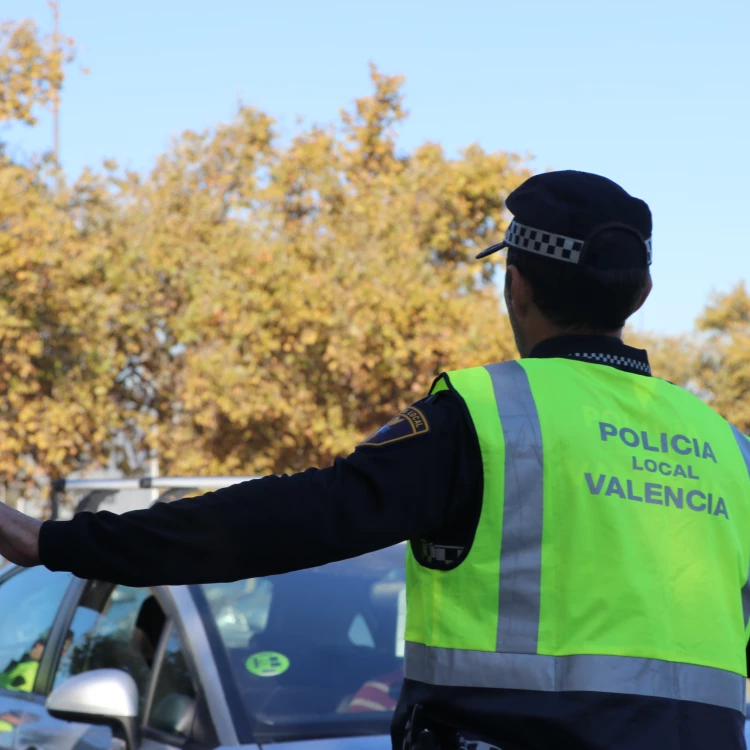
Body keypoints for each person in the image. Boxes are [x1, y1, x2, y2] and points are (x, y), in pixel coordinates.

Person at [0, 170, 748, 750]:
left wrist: (55, 541)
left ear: (515, 281)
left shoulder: (490, 418)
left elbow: (286, 519)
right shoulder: (726, 448)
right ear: (641, 291)